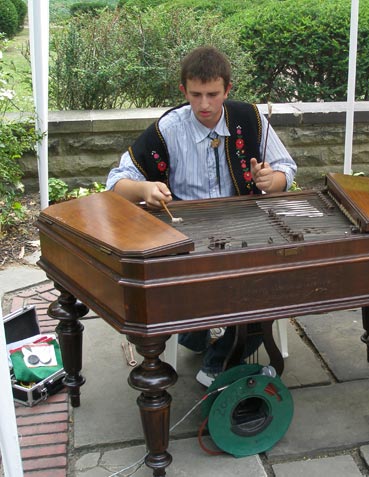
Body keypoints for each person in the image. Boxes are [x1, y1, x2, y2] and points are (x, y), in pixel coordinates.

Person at [106, 46, 297, 387]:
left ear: (228, 89)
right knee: (205, 293)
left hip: (244, 228)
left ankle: (216, 362)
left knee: (268, 290)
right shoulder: (168, 129)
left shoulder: (250, 119)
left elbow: (286, 168)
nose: (205, 105)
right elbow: (116, 182)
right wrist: (145, 189)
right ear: (183, 91)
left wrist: (274, 180)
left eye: (213, 94)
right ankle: (197, 334)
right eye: (196, 95)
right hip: (187, 236)